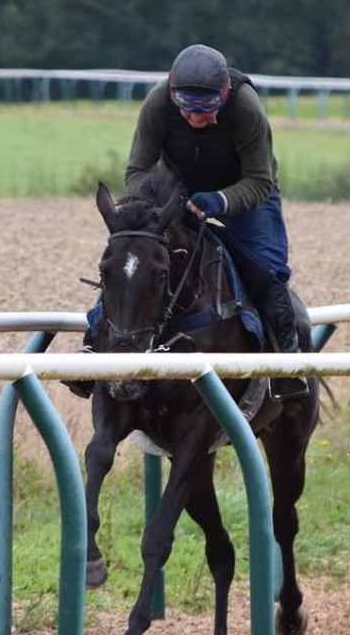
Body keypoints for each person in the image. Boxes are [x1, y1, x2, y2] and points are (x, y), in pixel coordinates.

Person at [64, 43, 309, 400]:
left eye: (205, 109)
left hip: (247, 190)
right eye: (186, 108)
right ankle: (92, 346)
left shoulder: (246, 108)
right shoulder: (157, 103)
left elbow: (259, 181)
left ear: (223, 96)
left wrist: (219, 201)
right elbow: (137, 172)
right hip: (177, 189)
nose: (194, 117)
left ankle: (288, 366)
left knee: (267, 270)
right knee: (136, 258)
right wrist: (159, 205)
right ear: (173, 95)